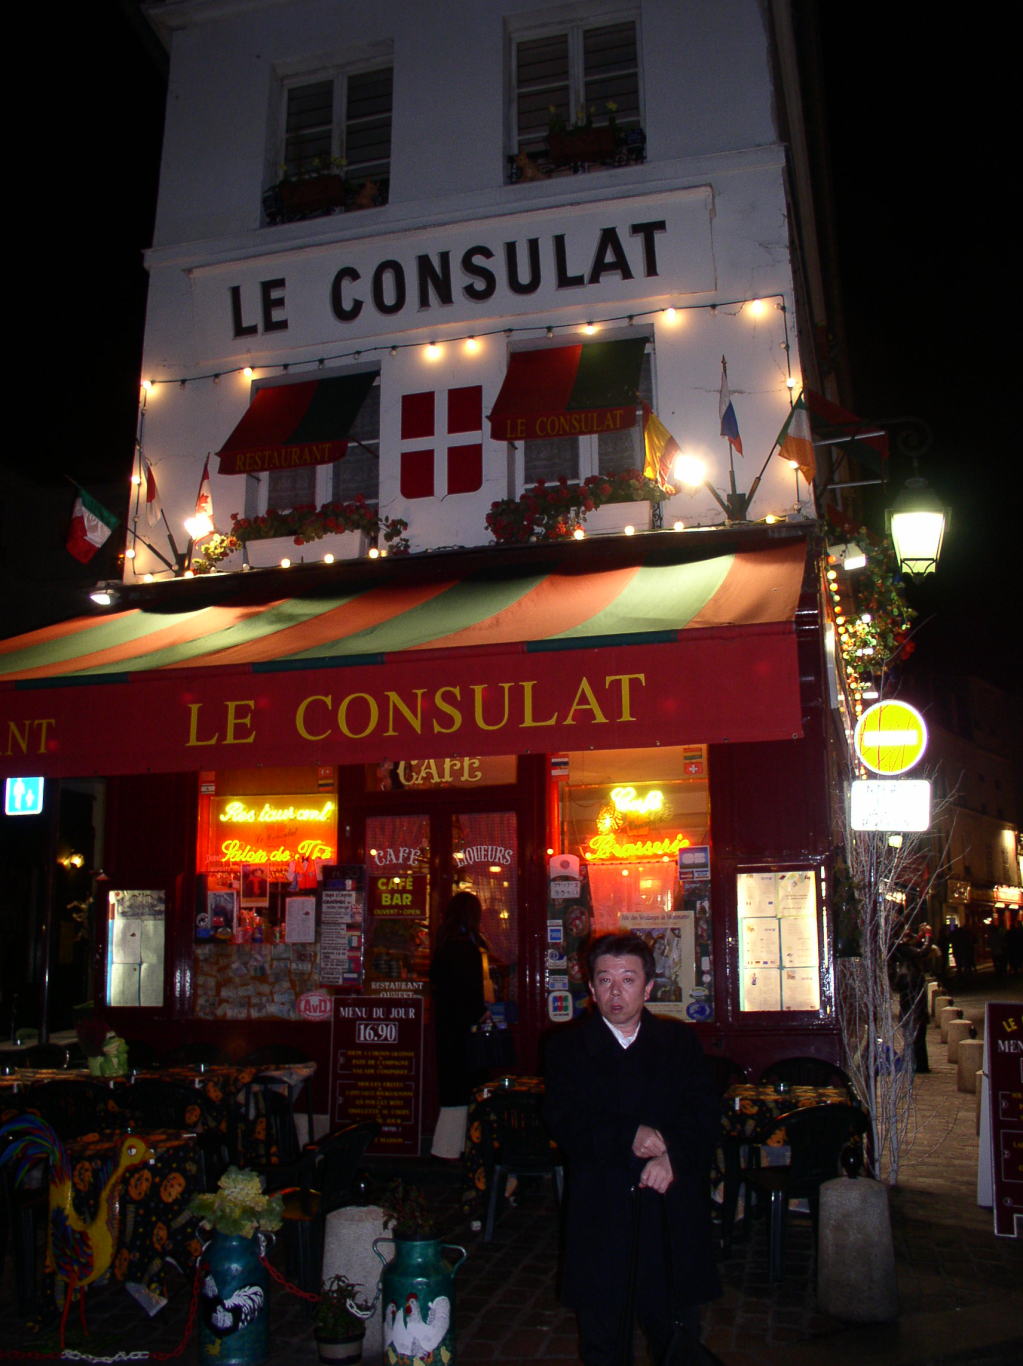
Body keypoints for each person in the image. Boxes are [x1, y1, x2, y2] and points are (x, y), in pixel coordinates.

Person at [543, 932, 721, 1366]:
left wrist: (672, 1155)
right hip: (602, 1212)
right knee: (604, 1339)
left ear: (648, 987)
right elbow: (564, 1120)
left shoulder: (678, 1043)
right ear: (591, 988)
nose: (616, 992)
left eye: (628, 979)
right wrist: (627, 1136)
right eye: (605, 980)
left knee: (675, 1336)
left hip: (667, 1213)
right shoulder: (567, 1048)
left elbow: (704, 1114)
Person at [428, 891, 490, 1159]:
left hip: (448, 1029)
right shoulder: (467, 948)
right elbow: (472, 995)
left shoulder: (444, 945)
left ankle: (448, 1147)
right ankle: (457, 1148)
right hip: (465, 1033)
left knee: (453, 1090)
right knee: (466, 1089)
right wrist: (482, 1013)